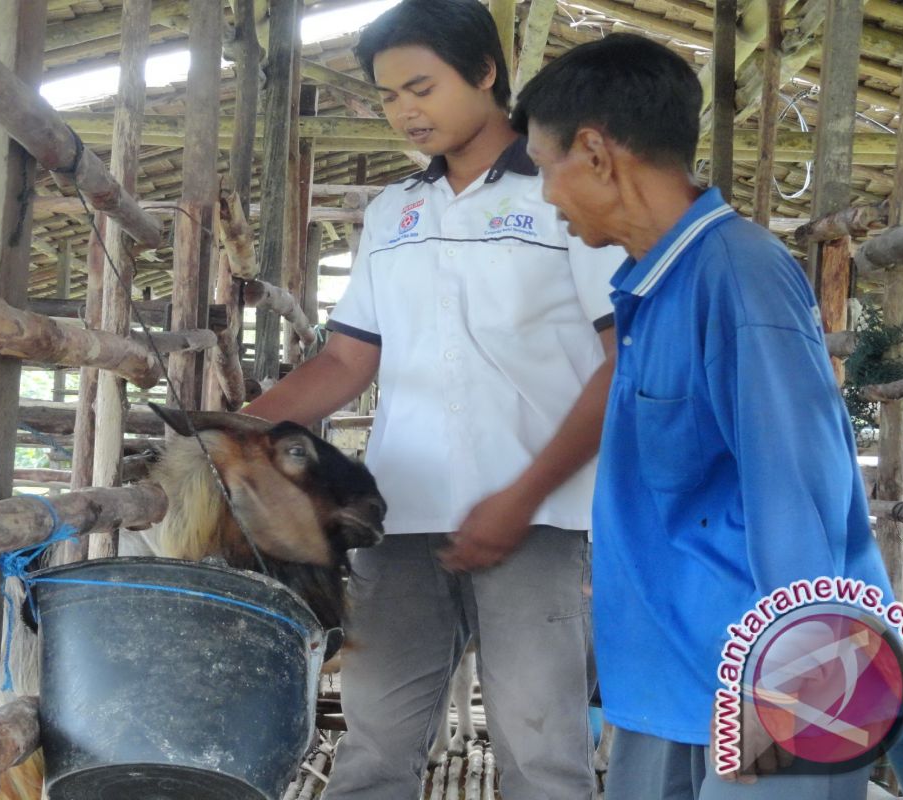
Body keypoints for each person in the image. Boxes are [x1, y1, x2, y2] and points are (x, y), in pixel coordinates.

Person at [244, 2, 623, 797]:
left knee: (541, 750)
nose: (405, 111)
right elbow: (348, 358)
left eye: (421, 86)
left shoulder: (563, 198)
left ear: (486, 72)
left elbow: (618, 357)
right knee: (373, 744)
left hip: (537, 518)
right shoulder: (393, 214)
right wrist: (239, 433)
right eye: (387, 96)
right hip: (401, 515)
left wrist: (523, 497)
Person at [512, 32, 896, 800]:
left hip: (768, 690)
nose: (546, 195)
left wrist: (794, 687)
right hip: (675, 679)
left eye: (544, 165)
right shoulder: (651, 287)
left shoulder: (738, 278)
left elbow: (800, 495)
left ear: (595, 152)